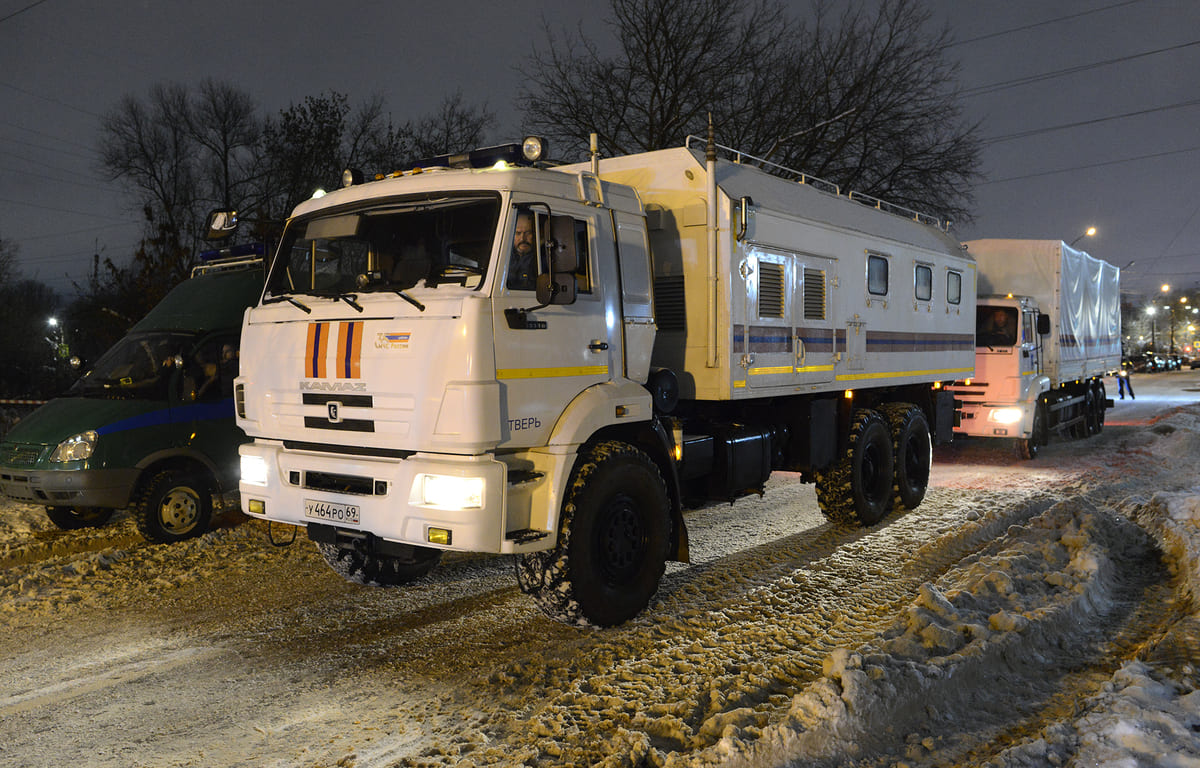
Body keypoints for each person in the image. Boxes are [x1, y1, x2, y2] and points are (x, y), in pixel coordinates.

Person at [506, 211, 538, 291]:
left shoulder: (542, 260)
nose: (523, 238)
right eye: (518, 233)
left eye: (528, 233)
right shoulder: (502, 257)